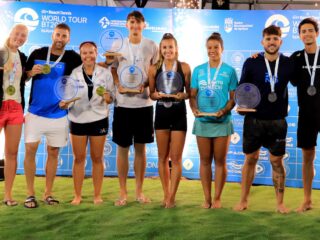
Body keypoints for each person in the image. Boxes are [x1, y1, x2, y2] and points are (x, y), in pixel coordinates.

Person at [233, 25, 293, 213]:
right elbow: (243, 89)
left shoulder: (288, 63)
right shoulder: (252, 62)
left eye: (275, 39)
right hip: (254, 120)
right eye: (268, 39)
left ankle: (280, 203)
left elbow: (302, 81)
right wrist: (241, 107)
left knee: (276, 161)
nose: (272, 42)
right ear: (262, 42)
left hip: (277, 121)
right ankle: (243, 200)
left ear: (280, 42)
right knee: (250, 159)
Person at [24, 23, 82, 208]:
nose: (60, 38)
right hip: (35, 112)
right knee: (31, 150)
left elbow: (85, 74)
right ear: (52, 35)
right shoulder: (38, 53)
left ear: (68, 39)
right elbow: (24, 76)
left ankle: (48, 193)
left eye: (64, 36)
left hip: (58, 114)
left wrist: (71, 100)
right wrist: (30, 73)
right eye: (58, 34)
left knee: (53, 153)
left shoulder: (73, 57)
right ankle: (30, 194)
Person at [111, 10, 158, 206]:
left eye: (138, 22)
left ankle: (139, 192)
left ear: (144, 25)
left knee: (141, 149)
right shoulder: (117, 44)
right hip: (122, 104)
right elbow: (112, 68)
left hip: (143, 104)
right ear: (126, 25)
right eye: (131, 22)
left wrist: (145, 86)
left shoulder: (151, 45)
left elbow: (154, 71)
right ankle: (123, 193)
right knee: (122, 149)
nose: (135, 25)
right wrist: (118, 85)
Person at [59, 41, 114, 205]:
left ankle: (97, 195)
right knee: (78, 159)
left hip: (98, 119)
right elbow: (68, 98)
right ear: (80, 54)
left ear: (96, 53)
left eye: (91, 52)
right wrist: (65, 103)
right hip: (78, 119)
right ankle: (77, 195)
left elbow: (111, 98)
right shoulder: (74, 74)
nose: (88, 56)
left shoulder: (105, 73)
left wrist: (107, 97)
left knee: (97, 158)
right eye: (84, 53)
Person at [189, 32, 238, 209]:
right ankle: (207, 198)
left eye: (216, 47)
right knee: (204, 160)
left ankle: (217, 198)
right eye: (209, 47)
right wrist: (193, 109)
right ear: (206, 49)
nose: (212, 51)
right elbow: (192, 95)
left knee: (220, 161)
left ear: (222, 49)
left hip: (222, 122)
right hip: (203, 121)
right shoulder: (198, 70)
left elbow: (233, 98)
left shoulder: (229, 71)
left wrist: (224, 110)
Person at [148, 33, 191, 208]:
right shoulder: (153, 69)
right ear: (161, 49)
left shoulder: (185, 67)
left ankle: (172, 196)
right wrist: (155, 95)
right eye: (164, 47)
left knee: (176, 158)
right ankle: (166, 193)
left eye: (170, 47)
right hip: (161, 114)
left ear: (176, 48)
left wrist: (184, 95)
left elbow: (190, 93)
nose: (167, 50)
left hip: (179, 113)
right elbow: (151, 93)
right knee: (162, 157)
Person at [290, 18, 320, 213]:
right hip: (306, 115)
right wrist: (261, 56)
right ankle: (307, 199)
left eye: (310, 30)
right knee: (307, 157)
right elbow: (279, 68)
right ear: (300, 35)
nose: (307, 34)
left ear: (317, 33)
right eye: (303, 31)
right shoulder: (295, 58)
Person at [0, 24, 28, 206]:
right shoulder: (1, 52)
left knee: (11, 153)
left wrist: (30, 74)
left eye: (23, 36)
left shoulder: (23, 57)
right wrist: (2, 68)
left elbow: (20, 80)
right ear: (10, 33)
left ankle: (8, 195)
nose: (19, 37)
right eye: (17, 33)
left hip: (16, 106)